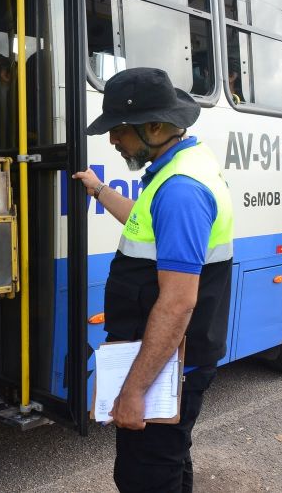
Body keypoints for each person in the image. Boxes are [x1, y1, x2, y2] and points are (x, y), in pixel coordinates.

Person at [73, 68, 234, 492]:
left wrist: (133, 391)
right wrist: (98, 190)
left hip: (168, 363)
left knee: (145, 475)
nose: (112, 140)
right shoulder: (177, 166)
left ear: (155, 127)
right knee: (168, 461)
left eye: (119, 131)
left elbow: (178, 302)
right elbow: (142, 223)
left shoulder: (181, 190)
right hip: (168, 356)